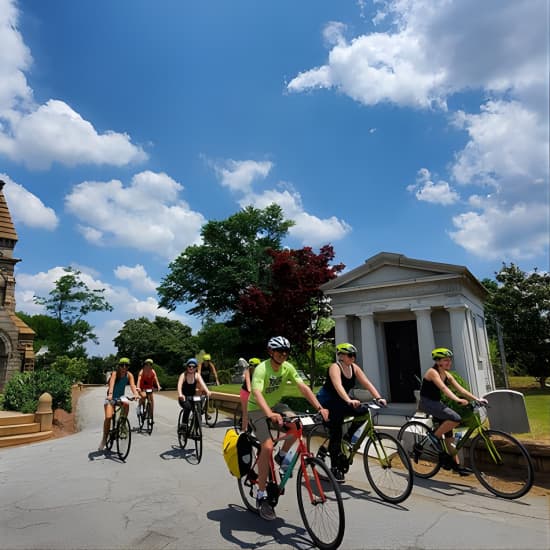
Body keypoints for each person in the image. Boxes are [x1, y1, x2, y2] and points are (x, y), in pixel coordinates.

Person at [247, 336, 329, 521]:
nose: (283, 355)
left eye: (286, 352)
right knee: (267, 446)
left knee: (297, 425)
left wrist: (320, 408)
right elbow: (257, 393)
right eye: (279, 351)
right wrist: (268, 413)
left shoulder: (288, 367)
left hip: (276, 405)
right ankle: (261, 494)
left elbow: (303, 388)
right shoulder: (262, 369)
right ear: (271, 352)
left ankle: (282, 455)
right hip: (257, 409)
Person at [316, 342, 387, 483]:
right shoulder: (335, 367)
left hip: (343, 400)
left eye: (354, 355)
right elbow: (338, 386)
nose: (353, 358)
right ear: (341, 356)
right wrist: (349, 400)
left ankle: (348, 437)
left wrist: (378, 397)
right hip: (328, 401)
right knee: (336, 432)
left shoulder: (354, 368)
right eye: (350, 355)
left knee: (364, 411)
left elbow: (367, 383)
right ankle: (334, 468)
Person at [417, 347, 488, 476]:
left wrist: (477, 399)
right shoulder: (433, 372)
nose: (449, 363)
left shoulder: (446, 373)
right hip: (427, 403)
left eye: (450, 360)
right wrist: (457, 400)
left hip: (437, 403)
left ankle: (457, 466)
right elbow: (443, 388)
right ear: (438, 362)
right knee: (455, 418)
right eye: (445, 360)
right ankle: (434, 437)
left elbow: (461, 390)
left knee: (449, 436)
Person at [99, 357, 139, 451]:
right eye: (122, 365)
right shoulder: (114, 374)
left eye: (126, 365)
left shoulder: (129, 375)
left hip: (120, 397)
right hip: (111, 397)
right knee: (108, 417)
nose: (124, 367)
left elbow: (133, 385)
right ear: (119, 366)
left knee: (126, 403)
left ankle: (122, 424)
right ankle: (104, 438)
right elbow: (111, 384)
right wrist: (110, 395)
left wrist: (136, 394)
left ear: (128, 366)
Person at [177, 358, 211, 427]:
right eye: (189, 366)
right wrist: (180, 394)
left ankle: (197, 429)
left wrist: (207, 391)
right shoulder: (183, 375)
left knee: (198, 411)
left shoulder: (197, 375)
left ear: (196, 368)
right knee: (188, 407)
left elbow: (203, 384)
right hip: (184, 397)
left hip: (193, 397)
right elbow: (179, 386)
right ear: (187, 367)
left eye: (193, 366)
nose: (191, 368)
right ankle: (184, 424)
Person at [239, 357, 261, 432]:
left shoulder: (260, 372)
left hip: (254, 393)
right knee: (246, 412)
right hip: (245, 392)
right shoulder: (247, 372)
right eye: (255, 366)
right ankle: (243, 430)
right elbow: (248, 386)